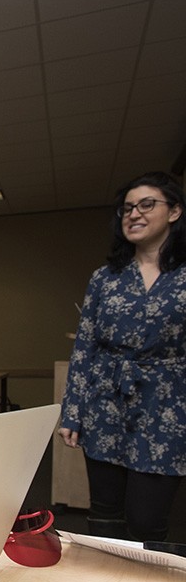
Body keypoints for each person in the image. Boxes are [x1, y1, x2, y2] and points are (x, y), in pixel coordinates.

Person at [59, 172, 186, 542]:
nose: (134, 213)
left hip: (167, 408)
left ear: (175, 211)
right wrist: (73, 410)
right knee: (104, 516)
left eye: (147, 204)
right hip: (106, 403)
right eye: (127, 208)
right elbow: (85, 347)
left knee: (147, 518)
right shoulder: (105, 278)